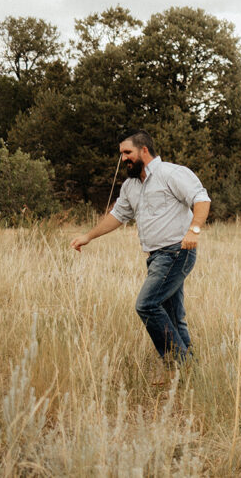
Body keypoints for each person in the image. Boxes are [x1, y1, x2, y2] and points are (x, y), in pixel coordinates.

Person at [70, 129, 210, 372]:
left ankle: (179, 365)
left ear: (144, 150)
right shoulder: (131, 185)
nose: (123, 158)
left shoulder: (171, 173)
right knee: (172, 315)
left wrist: (194, 230)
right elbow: (117, 216)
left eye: (127, 152)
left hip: (177, 252)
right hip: (155, 257)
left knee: (146, 305)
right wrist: (88, 237)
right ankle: (191, 373)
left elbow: (201, 199)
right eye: (121, 154)